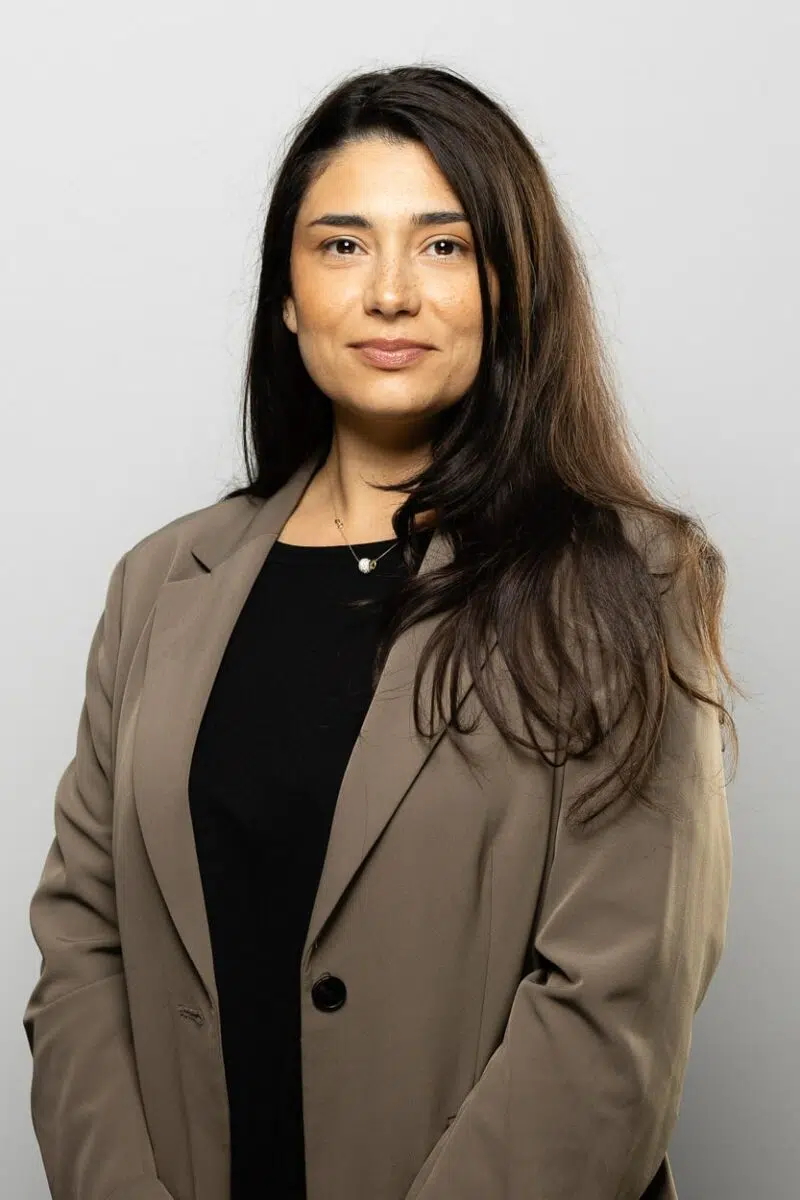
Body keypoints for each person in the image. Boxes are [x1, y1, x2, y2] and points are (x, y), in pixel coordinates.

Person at [22, 63, 739, 1200]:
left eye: (443, 246)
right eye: (342, 244)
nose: (390, 292)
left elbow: (617, 1001)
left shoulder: (624, 583)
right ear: (287, 295)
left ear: (509, 287)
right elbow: (82, 945)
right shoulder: (160, 584)